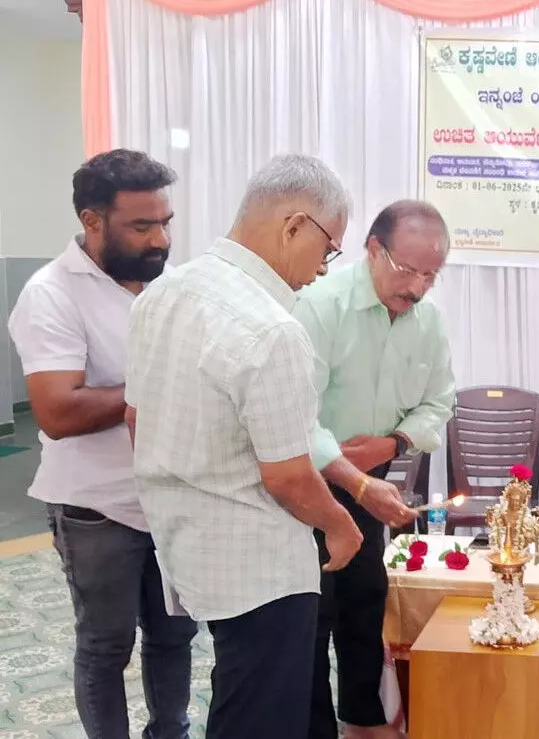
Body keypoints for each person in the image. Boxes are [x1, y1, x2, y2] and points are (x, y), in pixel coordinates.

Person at [124, 154, 366, 739]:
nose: (322, 269)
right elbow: (288, 475)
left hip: (186, 541)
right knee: (259, 715)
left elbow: (137, 418)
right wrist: (341, 525)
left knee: (243, 694)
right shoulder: (272, 328)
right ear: (294, 225)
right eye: (328, 249)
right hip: (262, 568)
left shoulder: (161, 294)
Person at [8, 149, 197, 738]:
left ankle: (170, 731)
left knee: (175, 634)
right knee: (105, 645)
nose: (160, 238)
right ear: (92, 221)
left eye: (165, 222)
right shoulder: (51, 293)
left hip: (171, 498)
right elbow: (58, 411)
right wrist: (157, 385)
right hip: (96, 508)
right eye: (141, 226)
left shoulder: (170, 286)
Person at [294, 199, 452, 739]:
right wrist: (351, 472)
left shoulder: (428, 321)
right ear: (372, 250)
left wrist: (392, 442)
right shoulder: (320, 306)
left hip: (368, 485)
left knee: (365, 600)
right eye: (408, 269)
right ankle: (315, 729)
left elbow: (439, 401)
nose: (418, 287)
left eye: (431, 275)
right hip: (305, 486)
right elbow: (297, 416)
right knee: (313, 615)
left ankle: (363, 720)